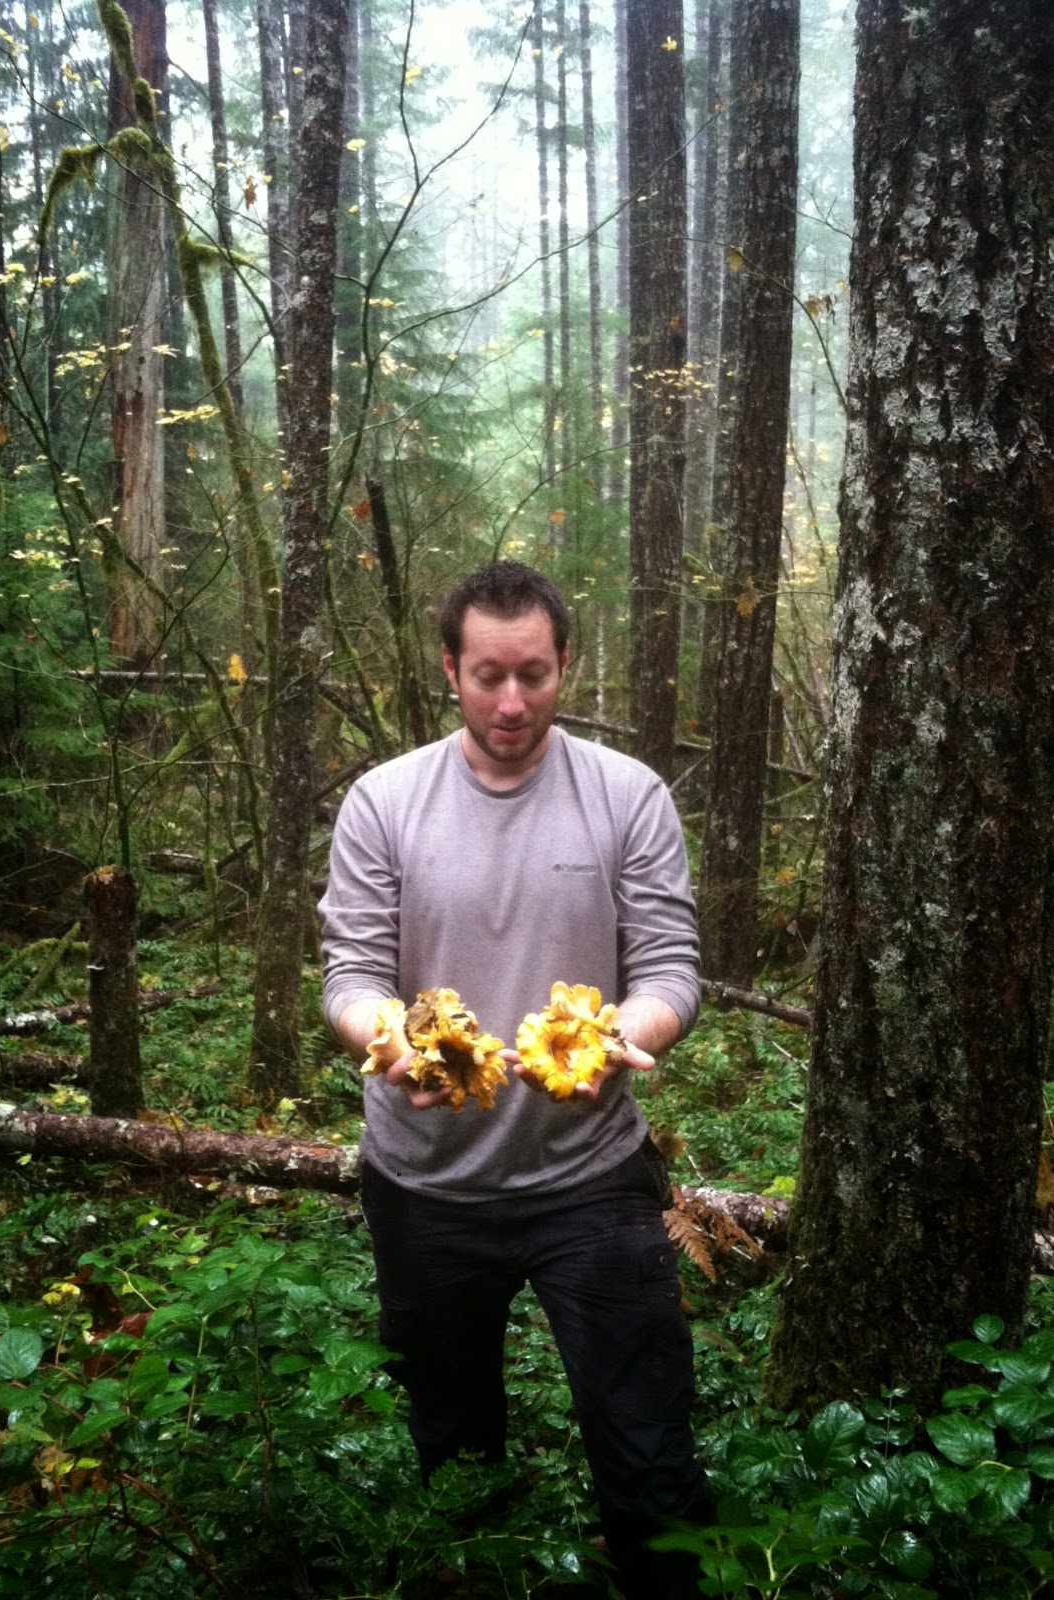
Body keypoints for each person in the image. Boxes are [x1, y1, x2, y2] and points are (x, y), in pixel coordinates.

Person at [320, 562, 710, 1597]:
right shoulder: (384, 801)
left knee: (647, 1445)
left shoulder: (626, 794)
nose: (509, 701)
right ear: (448, 667)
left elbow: (668, 964)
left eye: (532, 674)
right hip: (425, 1184)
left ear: (564, 663)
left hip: (589, 1177)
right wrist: (389, 1042)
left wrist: (633, 1031)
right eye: (486, 674)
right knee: (452, 1451)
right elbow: (351, 972)